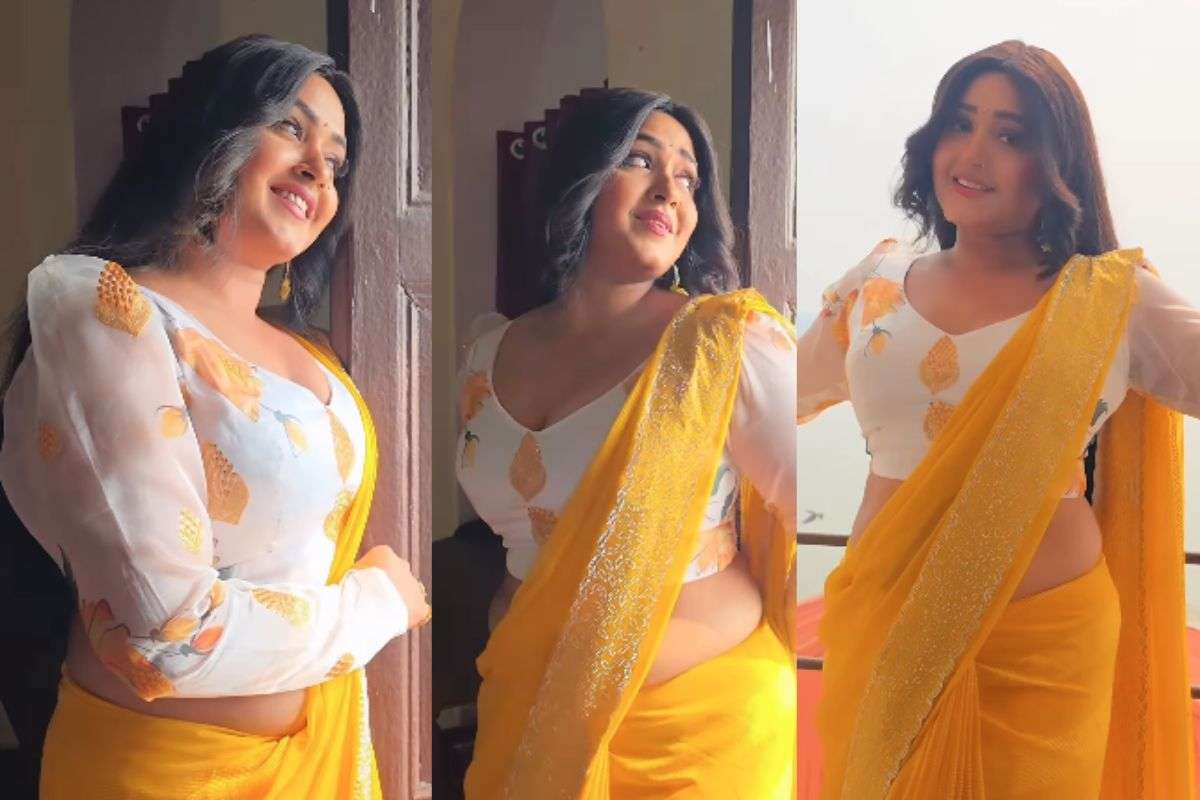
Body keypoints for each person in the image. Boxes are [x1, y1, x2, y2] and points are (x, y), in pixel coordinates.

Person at [0, 34, 429, 799]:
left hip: (313, 762)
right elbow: (164, 636)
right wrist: (376, 605)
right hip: (158, 773)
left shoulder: (311, 357)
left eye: (336, 162)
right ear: (212, 134)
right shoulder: (107, 311)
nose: (317, 169)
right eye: (291, 128)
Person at [798, 40, 1197, 797]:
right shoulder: (874, 287)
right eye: (960, 123)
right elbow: (770, 399)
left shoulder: (1110, 298)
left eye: (1010, 136)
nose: (973, 154)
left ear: (1056, 165)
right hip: (887, 627)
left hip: (1043, 655)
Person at [455, 88, 797, 797]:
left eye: (689, 177)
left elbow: (810, 509)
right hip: (528, 715)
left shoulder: (726, 343)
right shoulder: (488, 352)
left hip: (694, 734)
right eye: (640, 160)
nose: (669, 189)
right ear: (579, 178)